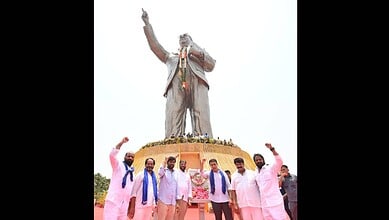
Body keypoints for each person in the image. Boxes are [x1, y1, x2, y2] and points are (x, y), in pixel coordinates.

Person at [141, 8, 216, 139]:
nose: (182, 38)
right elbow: (155, 46)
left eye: (185, 36)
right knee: (174, 113)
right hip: (176, 85)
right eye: (180, 37)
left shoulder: (198, 55)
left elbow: (211, 65)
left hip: (197, 83)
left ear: (191, 41)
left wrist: (197, 52)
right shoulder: (170, 57)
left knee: (200, 111)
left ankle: (204, 137)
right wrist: (147, 24)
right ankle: (173, 138)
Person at [253, 143, 289, 220]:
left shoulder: (270, 169)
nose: (258, 161)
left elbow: (279, 161)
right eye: (256, 160)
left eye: (260, 159)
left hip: (275, 203)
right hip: (264, 204)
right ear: (254, 162)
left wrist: (272, 149)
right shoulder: (255, 173)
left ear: (263, 160)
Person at [103, 137, 136, 220]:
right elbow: (112, 155)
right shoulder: (117, 165)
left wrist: (131, 206)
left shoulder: (133, 173)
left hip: (124, 204)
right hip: (113, 201)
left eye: (132, 157)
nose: (130, 158)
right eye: (129, 156)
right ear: (125, 157)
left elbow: (132, 191)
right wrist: (121, 142)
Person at [157, 155, 179, 220]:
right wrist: (164, 162)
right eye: (170, 162)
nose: (172, 163)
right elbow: (160, 173)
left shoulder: (176, 173)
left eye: (173, 162)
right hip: (163, 200)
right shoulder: (164, 171)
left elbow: (176, 186)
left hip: (172, 202)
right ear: (167, 162)